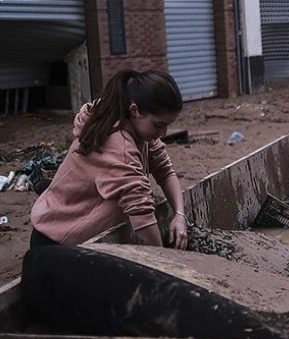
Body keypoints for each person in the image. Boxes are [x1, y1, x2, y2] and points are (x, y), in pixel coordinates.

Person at [30, 69, 189, 250]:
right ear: (135, 110)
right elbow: (140, 214)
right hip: (60, 241)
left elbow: (165, 170)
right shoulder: (117, 146)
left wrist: (179, 215)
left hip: (73, 232)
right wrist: (165, 263)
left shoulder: (135, 126)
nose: (163, 133)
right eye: (159, 125)